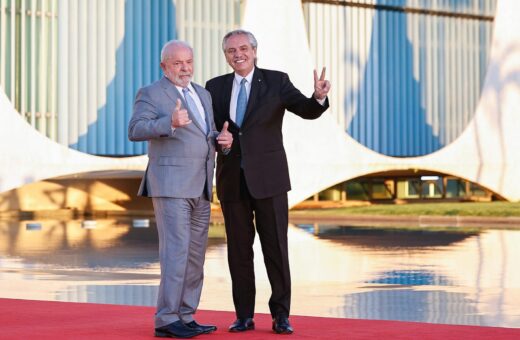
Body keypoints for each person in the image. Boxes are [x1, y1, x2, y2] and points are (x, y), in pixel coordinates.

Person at [205, 29, 331, 334]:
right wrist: (217, 140)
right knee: (238, 251)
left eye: (244, 48)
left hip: (270, 181)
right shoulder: (214, 87)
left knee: (276, 249)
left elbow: (306, 110)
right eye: (232, 51)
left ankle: (280, 315)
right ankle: (244, 316)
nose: (238, 54)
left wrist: (319, 97)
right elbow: (208, 130)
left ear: (254, 51)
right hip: (232, 180)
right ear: (226, 56)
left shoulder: (276, 81)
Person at [128, 40, 233, 339]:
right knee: (176, 252)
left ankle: (186, 316)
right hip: (170, 185)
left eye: (188, 61)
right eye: (177, 63)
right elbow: (135, 129)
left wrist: (221, 140)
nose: (185, 67)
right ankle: (166, 319)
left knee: (196, 255)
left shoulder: (202, 93)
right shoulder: (151, 93)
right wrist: (168, 122)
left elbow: (205, 133)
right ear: (164, 66)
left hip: (200, 184)